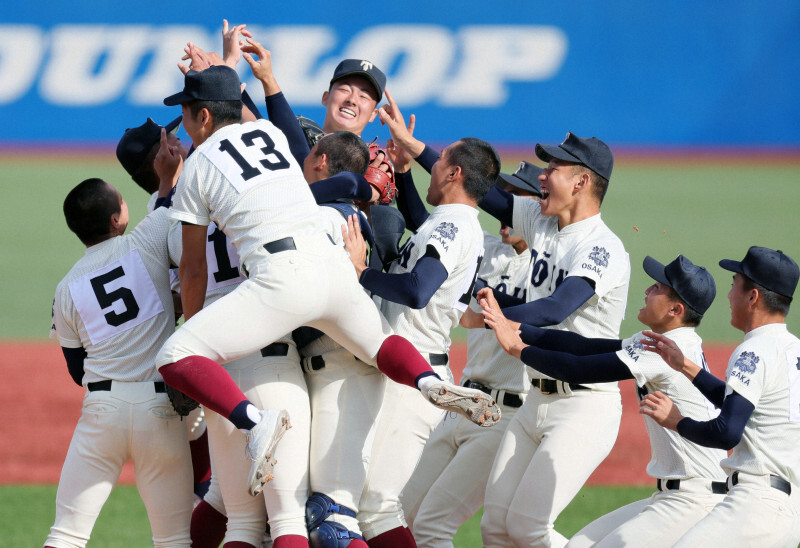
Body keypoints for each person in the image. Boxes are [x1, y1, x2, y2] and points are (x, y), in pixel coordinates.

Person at [152, 65, 499, 527]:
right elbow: (323, 167)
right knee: (378, 346)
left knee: (175, 354)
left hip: (281, 281)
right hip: (334, 273)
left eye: (188, 114)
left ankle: (255, 422)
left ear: (200, 118)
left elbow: (193, 269)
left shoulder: (197, 165)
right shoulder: (274, 138)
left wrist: (196, 330)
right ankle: (429, 384)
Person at [340, 95, 502, 547]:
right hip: (406, 366)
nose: (430, 164)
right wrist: (407, 170)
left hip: (410, 376)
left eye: (438, 161)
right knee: (370, 506)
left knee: (376, 508)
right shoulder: (451, 222)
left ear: (454, 174)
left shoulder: (454, 228)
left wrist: (362, 272)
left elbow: (416, 290)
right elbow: (420, 222)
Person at [481, 254, 729, 547]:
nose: (647, 291)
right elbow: (582, 347)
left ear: (676, 309)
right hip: (675, 495)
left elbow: (579, 369)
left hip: (694, 500)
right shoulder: (662, 342)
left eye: (657, 288)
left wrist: (517, 348)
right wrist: (517, 327)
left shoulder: (667, 351)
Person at [473, 131, 631, 547]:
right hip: (536, 400)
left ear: (580, 181)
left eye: (552, 169)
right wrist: (415, 150)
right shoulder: (541, 220)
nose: (541, 176)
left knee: (528, 528)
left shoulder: (603, 248)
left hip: (584, 405)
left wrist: (497, 317)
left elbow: (556, 308)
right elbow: (482, 194)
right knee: (495, 529)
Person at [399, 162, 543, 547]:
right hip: (462, 404)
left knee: (432, 527)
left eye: (518, 196)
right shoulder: (485, 246)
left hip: (504, 417)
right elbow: (424, 225)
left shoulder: (547, 269)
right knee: (399, 516)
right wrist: (401, 171)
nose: (505, 205)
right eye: (504, 194)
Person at [47, 178, 193, 547]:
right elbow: (179, 197)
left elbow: (76, 368)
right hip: (159, 407)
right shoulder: (145, 240)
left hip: (102, 412)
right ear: (116, 218)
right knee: (174, 539)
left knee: (66, 534)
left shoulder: (66, 287)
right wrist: (165, 176)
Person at [640, 246, 800, 547]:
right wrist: (686, 366)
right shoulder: (792, 349)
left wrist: (678, 422)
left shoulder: (754, 349)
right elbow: (742, 405)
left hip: (755, 505)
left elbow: (727, 431)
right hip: (789, 514)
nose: (729, 297)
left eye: (734, 286)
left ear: (752, 297)